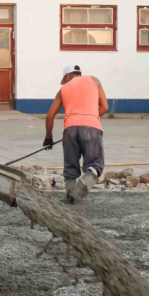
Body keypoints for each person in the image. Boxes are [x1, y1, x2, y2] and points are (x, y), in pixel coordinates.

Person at [43, 64, 108, 204]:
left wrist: (48, 137)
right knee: (95, 165)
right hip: (91, 127)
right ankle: (80, 190)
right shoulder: (94, 80)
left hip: (70, 129)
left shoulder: (63, 89)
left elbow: (49, 116)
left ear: (67, 75)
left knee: (70, 167)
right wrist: (91, 120)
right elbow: (104, 106)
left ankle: (71, 197)